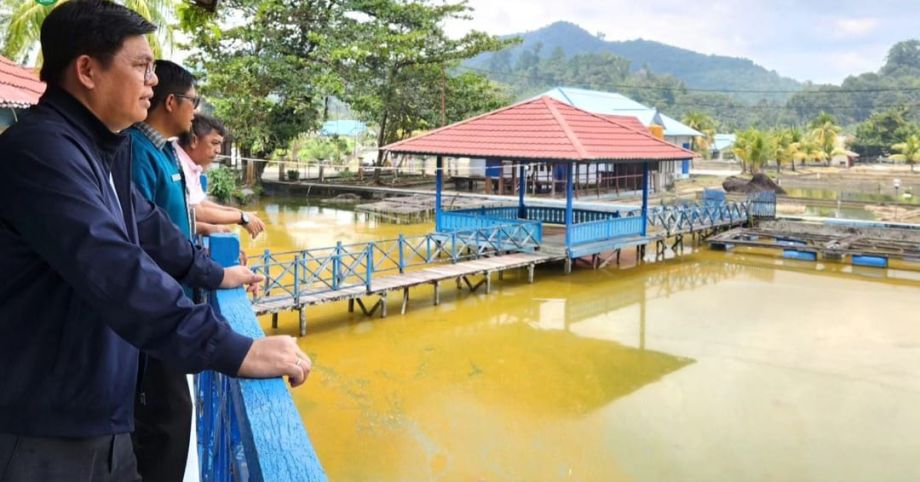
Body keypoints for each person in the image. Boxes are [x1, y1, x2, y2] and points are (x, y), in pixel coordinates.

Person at [0, 2, 311, 481]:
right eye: (141, 65)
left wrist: (215, 274)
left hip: (102, 410)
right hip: (44, 425)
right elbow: (114, 265)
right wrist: (236, 350)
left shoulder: (101, 149)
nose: (152, 80)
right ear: (86, 69)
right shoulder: (41, 152)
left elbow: (151, 228)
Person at [125, 59, 215, 481]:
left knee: (172, 412)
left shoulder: (163, 152)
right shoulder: (135, 153)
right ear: (172, 101)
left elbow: (176, 223)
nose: (195, 112)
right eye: (193, 102)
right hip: (155, 305)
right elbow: (140, 238)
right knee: (168, 415)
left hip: (173, 297)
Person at [175, 114, 267, 237]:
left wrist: (240, 213)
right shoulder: (178, 163)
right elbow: (197, 212)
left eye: (220, 144)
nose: (218, 150)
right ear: (194, 141)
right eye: (214, 143)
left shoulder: (191, 165)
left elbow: (201, 203)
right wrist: (242, 217)